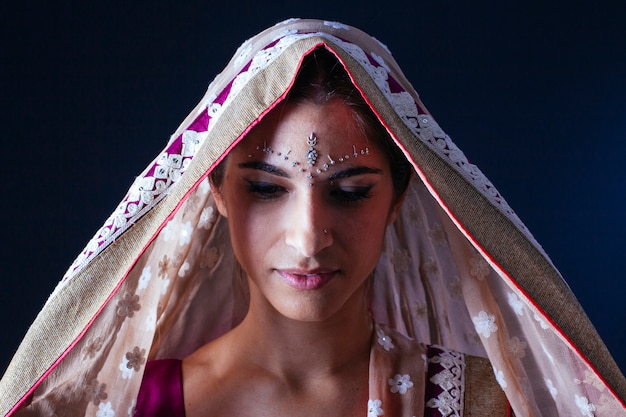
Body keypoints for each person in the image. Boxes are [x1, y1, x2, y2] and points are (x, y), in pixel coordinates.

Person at [0, 18, 624, 416]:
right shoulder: (126, 405)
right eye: (268, 189)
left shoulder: (475, 403)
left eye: (349, 191)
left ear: (402, 197)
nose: (309, 237)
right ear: (215, 190)